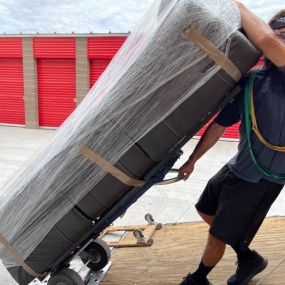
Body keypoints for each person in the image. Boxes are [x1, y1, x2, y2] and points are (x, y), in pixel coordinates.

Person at [178, 2, 285, 285]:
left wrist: (234, 4)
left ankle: (198, 279)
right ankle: (248, 257)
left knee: (217, 237)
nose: (280, 42)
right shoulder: (251, 81)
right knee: (205, 209)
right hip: (238, 167)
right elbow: (219, 125)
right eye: (280, 34)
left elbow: (264, 39)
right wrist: (193, 160)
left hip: (262, 178)